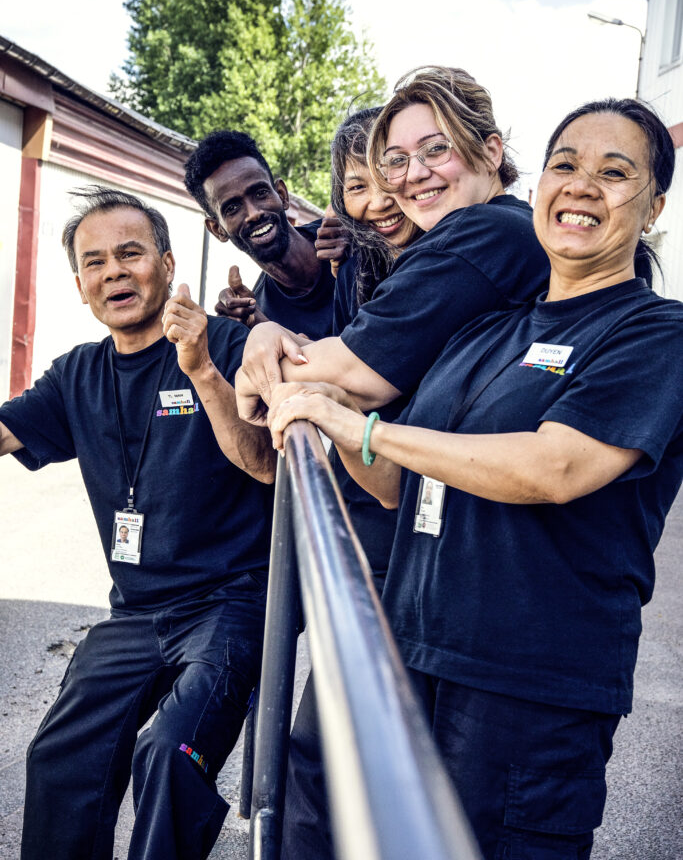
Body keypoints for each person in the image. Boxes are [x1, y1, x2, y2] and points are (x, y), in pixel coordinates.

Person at [267, 98, 683, 860]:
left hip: (525, 689)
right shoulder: (488, 329)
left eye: (613, 173)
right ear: (539, 186)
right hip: (413, 653)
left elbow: (555, 467)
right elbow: (396, 484)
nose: (580, 185)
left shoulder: (654, 334)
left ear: (652, 207)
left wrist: (366, 429)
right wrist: (329, 410)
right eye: (565, 165)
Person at [0, 186, 276, 860]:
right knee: (60, 753)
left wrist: (201, 369)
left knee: (169, 752)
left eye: (130, 253)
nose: (113, 272)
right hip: (135, 614)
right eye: (94, 262)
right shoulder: (77, 375)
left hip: (230, 605)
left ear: (167, 263)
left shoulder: (229, 344)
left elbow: (265, 464)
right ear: (80, 286)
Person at [235, 65, 550, 420]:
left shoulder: (479, 234)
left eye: (436, 149)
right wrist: (269, 334)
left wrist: (251, 377)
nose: (414, 174)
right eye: (397, 160)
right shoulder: (501, 227)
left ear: (491, 152)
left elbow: (359, 370)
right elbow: (360, 348)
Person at [281, 107, 420, 860]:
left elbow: (346, 376)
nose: (378, 199)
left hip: (420, 531)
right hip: (367, 524)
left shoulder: (459, 265)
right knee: (317, 754)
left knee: (371, 758)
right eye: (356, 184)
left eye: (390, 173)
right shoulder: (361, 267)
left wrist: (271, 351)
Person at [184, 129, 339, 338]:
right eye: (232, 208)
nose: (254, 214)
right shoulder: (258, 316)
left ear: (282, 195)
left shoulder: (348, 237)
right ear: (217, 229)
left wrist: (366, 244)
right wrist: (259, 328)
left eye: (260, 193)